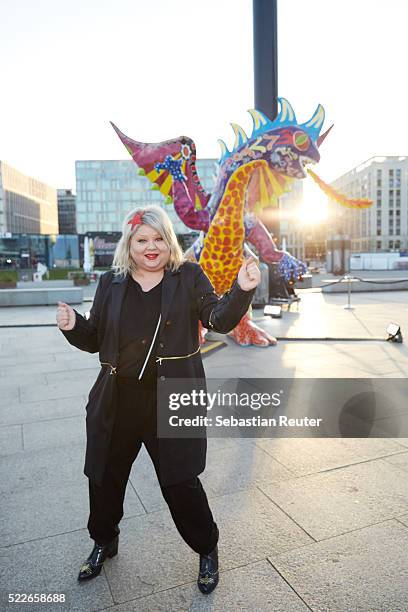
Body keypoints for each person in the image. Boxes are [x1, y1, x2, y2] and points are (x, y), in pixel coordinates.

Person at [56, 205, 260, 594]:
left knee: (181, 482)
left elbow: (217, 318)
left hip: (172, 397)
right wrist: (73, 327)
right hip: (118, 398)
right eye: (142, 240)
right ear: (129, 245)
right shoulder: (111, 282)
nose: (151, 247)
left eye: (159, 239)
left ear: (170, 241)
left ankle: (207, 548)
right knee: (104, 478)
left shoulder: (188, 277)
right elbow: (95, 338)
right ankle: (104, 540)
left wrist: (243, 290)